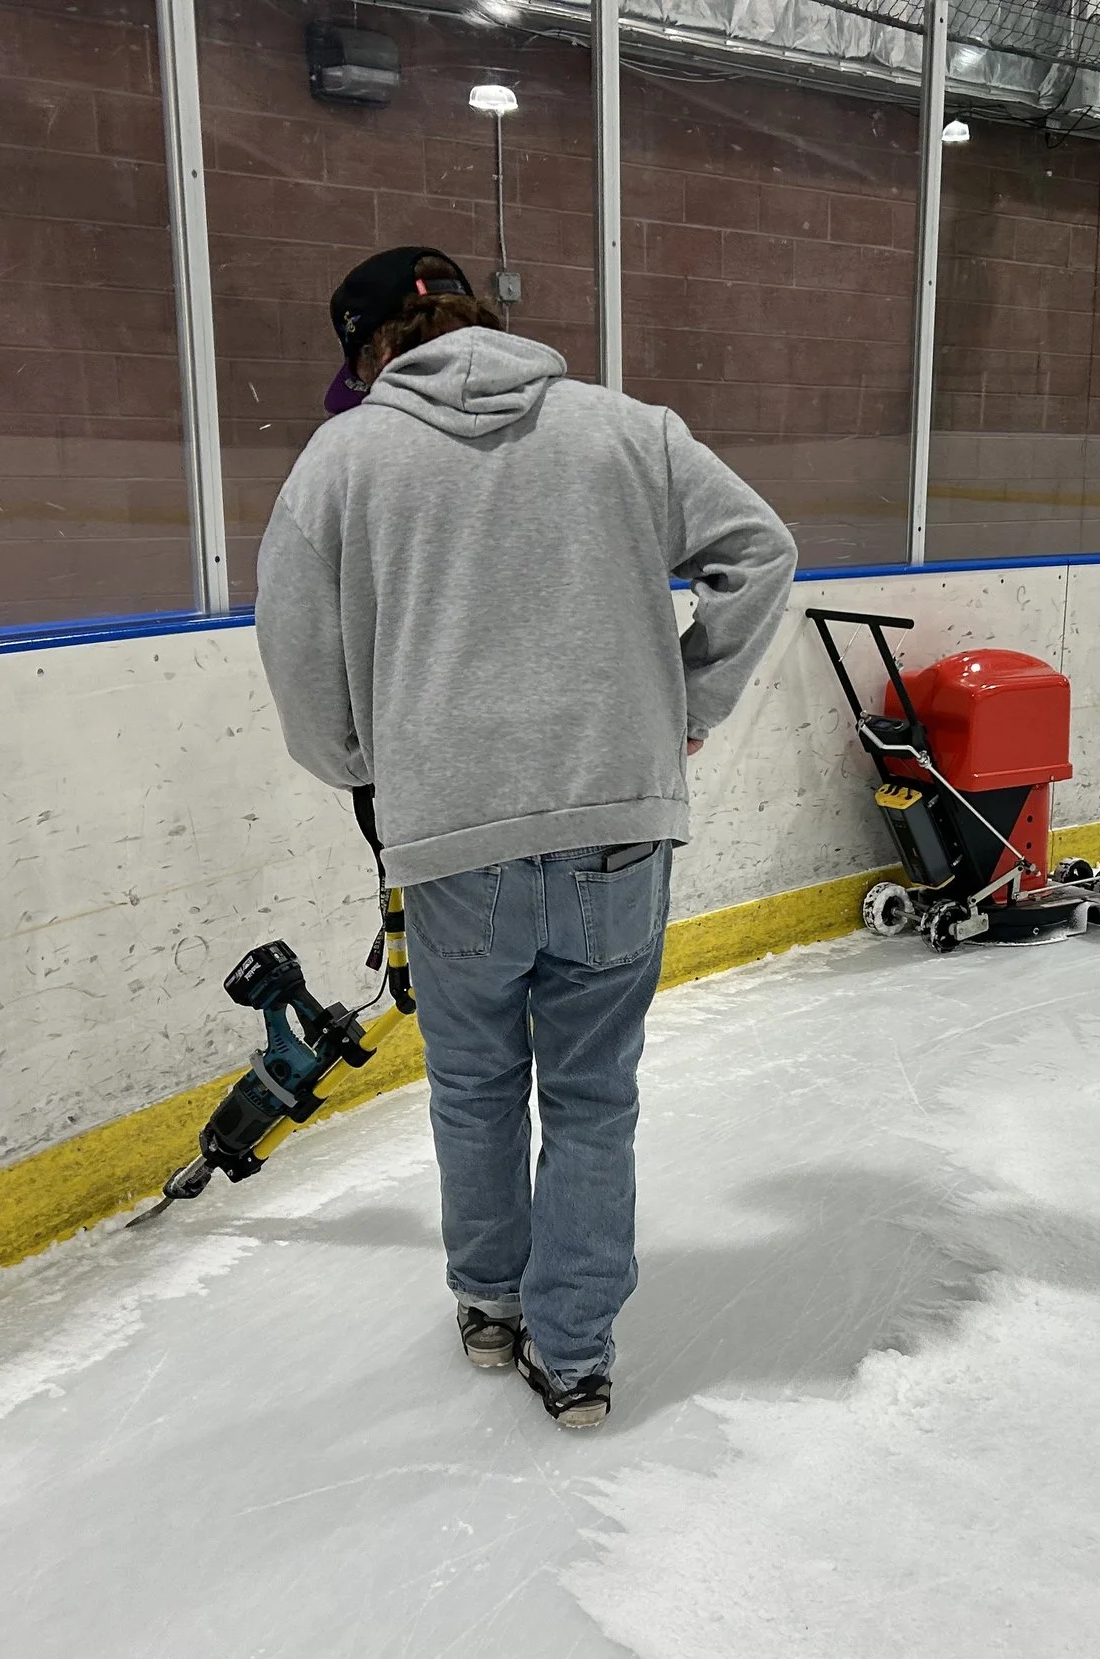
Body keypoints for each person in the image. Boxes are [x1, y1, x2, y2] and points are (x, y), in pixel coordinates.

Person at [256, 247, 797, 1428]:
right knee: (595, 1095)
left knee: (475, 1089)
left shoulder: (344, 458)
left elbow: (299, 661)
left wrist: (367, 761)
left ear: (370, 353)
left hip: (452, 835)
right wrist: (685, 706)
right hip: (616, 821)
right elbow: (761, 554)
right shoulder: (629, 431)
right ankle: (579, 1357)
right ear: (482, 318)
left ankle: (492, 1303)